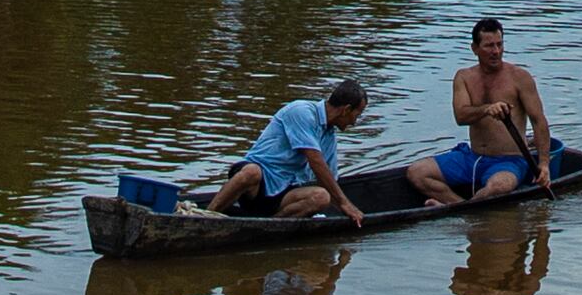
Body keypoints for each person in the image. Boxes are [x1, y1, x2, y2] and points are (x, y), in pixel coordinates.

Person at [404, 15, 562, 210]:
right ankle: (459, 205)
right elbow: (461, 117)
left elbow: (539, 122)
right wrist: (487, 109)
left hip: (509, 160)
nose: (496, 51)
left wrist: (544, 165)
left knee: (499, 186)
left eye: (499, 45)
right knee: (416, 172)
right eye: (489, 46)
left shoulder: (520, 77)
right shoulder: (464, 77)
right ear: (475, 49)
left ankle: (452, 209)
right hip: (472, 156)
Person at [201, 75, 376, 221]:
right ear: (346, 110)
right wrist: (346, 204)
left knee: (322, 196)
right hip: (255, 187)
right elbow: (314, 160)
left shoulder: (329, 137)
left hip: (283, 195)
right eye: (357, 114)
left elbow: (329, 180)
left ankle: (271, 225)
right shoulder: (302, 112)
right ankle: (206, 216)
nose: (355, 121)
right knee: (252, 172)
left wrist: (345, 209)